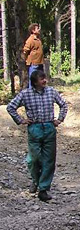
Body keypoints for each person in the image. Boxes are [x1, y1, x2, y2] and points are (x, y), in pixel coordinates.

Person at [6, 70, 68, 202]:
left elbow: (63, 105)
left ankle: (43, 189)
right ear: (34, 82)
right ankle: (35, 179)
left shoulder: (51, 91)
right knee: (33, 159)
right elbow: (11, 107)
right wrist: (21, 120)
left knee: (49, 160)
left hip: (49, 127)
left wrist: (60, 119)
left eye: (45, 78)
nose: (44, 81)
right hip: (35, 128)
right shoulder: (25, 94)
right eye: (41, 79)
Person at [23, 23, 44, 88]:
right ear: (33, 30)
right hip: (33, 64)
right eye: (37, 29)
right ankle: (31, 94)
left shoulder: (38, 39)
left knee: (40, 80)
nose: (39, 30)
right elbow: (25, 50)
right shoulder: (30, 40)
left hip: (40, 62)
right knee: (32, 80)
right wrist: (27, 59)